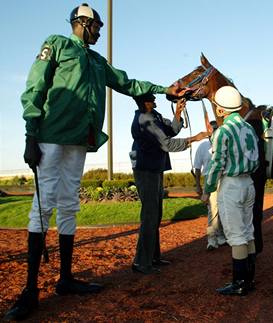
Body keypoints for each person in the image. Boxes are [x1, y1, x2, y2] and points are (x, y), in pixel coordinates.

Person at [4, 3, 188, 321]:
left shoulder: (97, 61)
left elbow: (129, 84)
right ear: (83, 23)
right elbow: (35, 87)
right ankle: (30, 290)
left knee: (69, 205)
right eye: (97, 26)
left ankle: (65, 279)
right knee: (43, 206)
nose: (100, 31)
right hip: (50, 137)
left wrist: (165, 90)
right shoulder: (57, 44)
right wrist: (30, 134)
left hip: (79, 141)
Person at [130, 94, 209, 274]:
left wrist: (179, 112)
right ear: (145, 102)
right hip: (146, 169)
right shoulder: (145, 120)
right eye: (151, 96)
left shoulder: (154, 115)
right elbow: (167, 144)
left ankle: (153, 257)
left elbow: (172, 130)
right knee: (150, 215)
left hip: (154, 168)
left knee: (155, 214)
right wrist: (194, 138)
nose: (155, 97)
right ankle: (141, 263)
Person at [201, 86, 259, 296]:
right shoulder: (249, 128)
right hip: (249, 183)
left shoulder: (223, 131)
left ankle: (240, 283)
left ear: (222, 109)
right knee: (248, 231)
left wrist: (207, 190)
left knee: (236, 236)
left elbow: (216, 165)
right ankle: (250, 279)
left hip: (232, 185)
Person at [193, 121, 227, 250]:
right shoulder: (202, 146)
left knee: (224, 208)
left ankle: (222, 237)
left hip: (224, 178)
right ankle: (212, 240)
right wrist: (197, 185)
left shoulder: (224, 142)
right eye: (212, 129)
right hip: (209, 180)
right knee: (212, 210)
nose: (214, 131)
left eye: (216, 128)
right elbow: (197, 167)